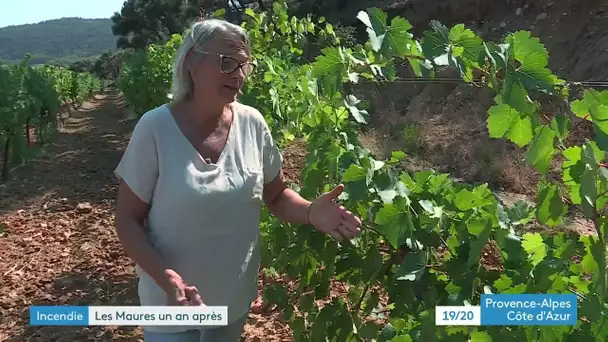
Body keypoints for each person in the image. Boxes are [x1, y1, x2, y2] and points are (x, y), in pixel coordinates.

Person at [113, 18, 362, 342]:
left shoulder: (252, 125)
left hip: (231, 304)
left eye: (244, 65)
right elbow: (127, 220)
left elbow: (276, 196)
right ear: (191, 62)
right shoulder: (155, 129)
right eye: (226, 62)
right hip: (170, 306)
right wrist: (167, 279)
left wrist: (311, 212)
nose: (238, 74)